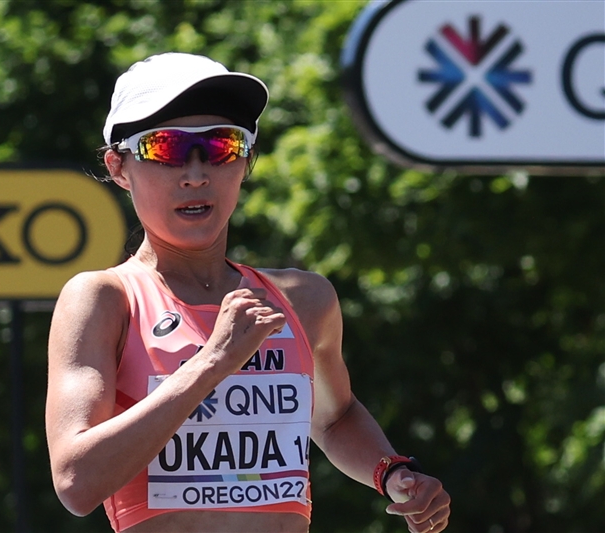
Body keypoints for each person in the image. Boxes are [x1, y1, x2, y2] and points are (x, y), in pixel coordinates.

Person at [46, 52, 451, 533]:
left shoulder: (303, 299)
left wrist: (392, 473)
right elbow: (76, 480)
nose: (195, 174)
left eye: (221, 146)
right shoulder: (105, 298)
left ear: (246, 162)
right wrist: (211, 361)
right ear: (118, 167)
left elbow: (335, 418)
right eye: (166, 148)